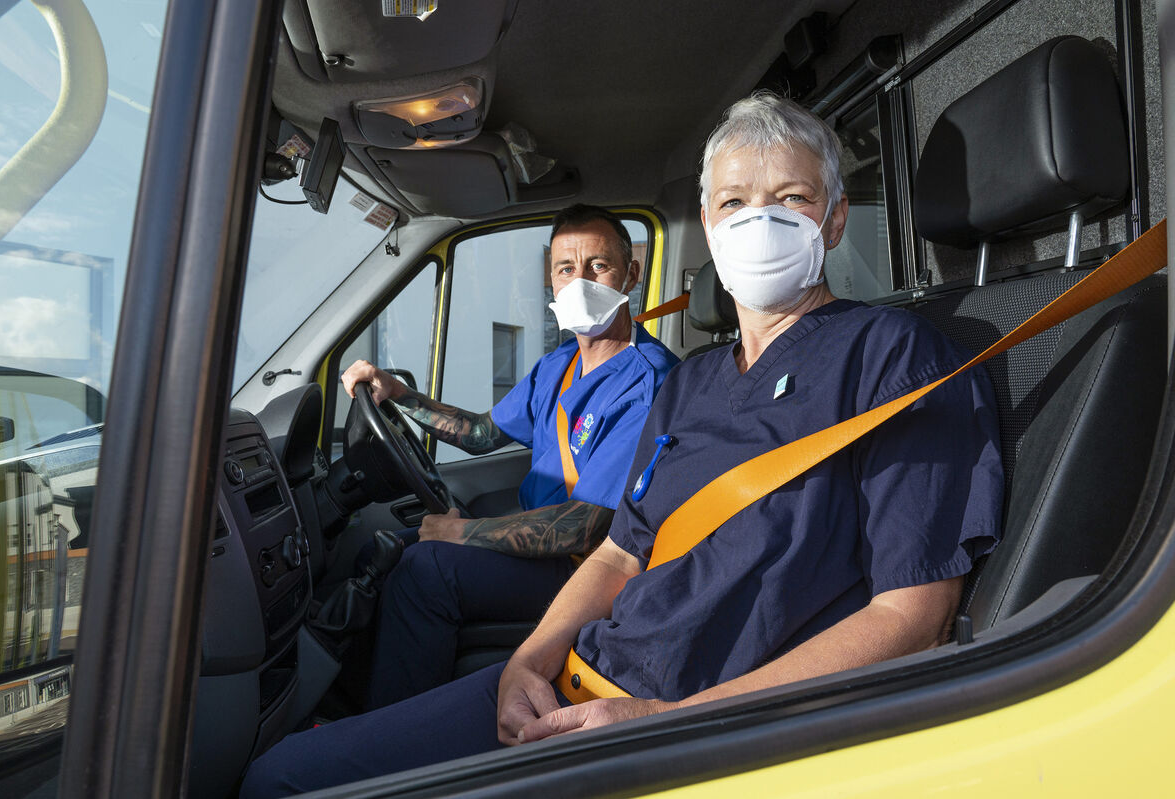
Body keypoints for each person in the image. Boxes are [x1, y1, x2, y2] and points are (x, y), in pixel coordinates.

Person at [241, 92, 1002, 796]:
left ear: (834, 220)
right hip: (577, 680)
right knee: (278, 774)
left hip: (676, 735)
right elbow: (618, 554)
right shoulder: (693, 382)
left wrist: (669, 722)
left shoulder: (894, 355)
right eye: (734, 202)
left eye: (791, 198)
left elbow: (914, 613)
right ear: (708, 225)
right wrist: (527, 663)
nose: (757, 221)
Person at [340, 204, 680, 709]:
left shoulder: (648, 382)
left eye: (598, 266)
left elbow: (587, 527)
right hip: (540, 545)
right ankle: (346, 706)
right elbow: (479, 433)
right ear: (550, 279)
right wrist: (399, 395)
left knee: (423, 571)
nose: (579, 280)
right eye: (566, 268)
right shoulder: (558, 365)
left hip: (584, 569)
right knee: (380, 550)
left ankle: (394, 738)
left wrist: (463, 532)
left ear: (631, 273)